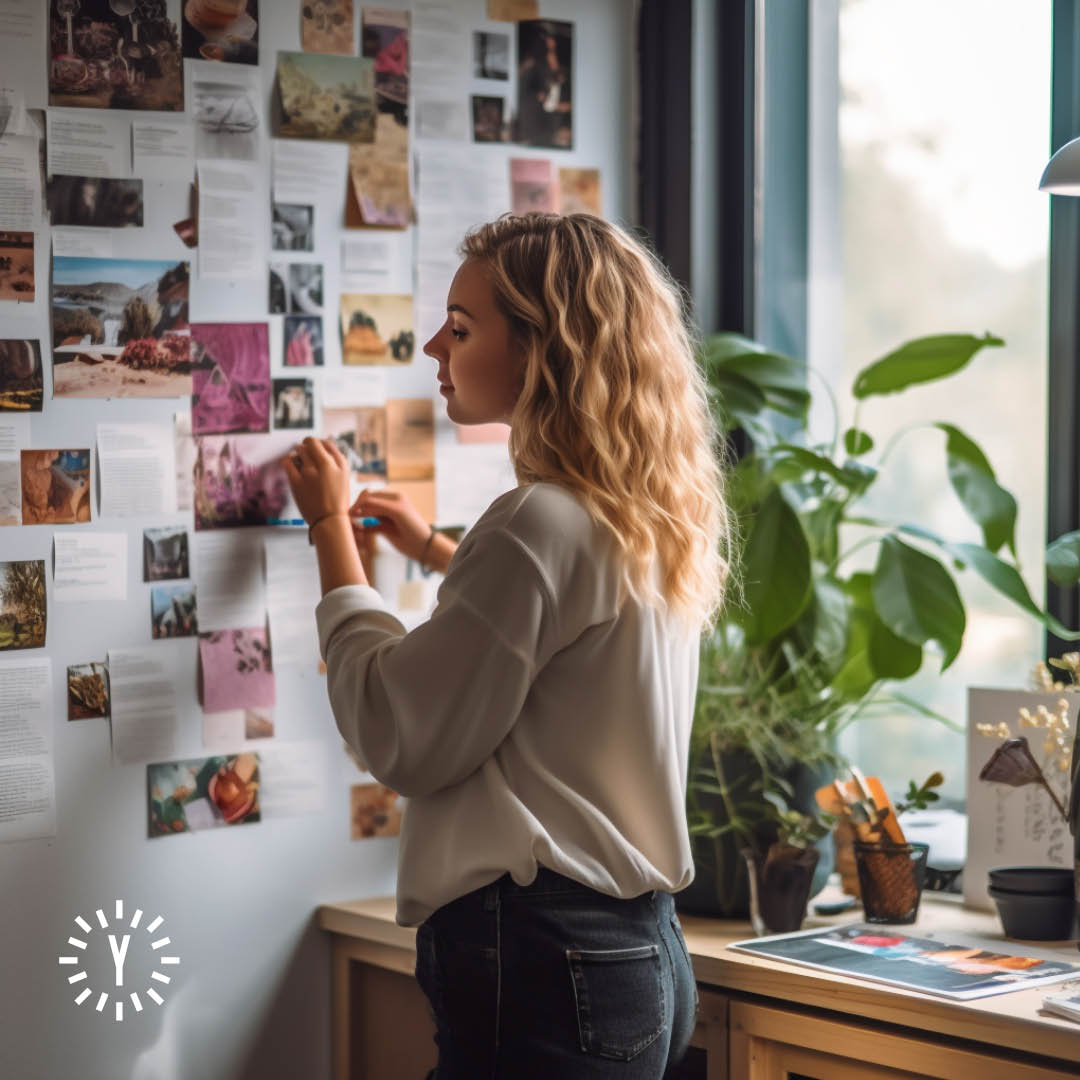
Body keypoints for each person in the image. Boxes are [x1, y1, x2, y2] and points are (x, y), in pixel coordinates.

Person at [283, 212, 733, 1079]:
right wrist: (433, 552)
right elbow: (569, 643)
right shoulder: (644, 517)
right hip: (640, 954)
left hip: (540, 953)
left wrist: (330, 531)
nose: (430, 349)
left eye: (460, 328)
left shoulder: (537, 523)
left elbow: (400, 731)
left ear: (542, 346)